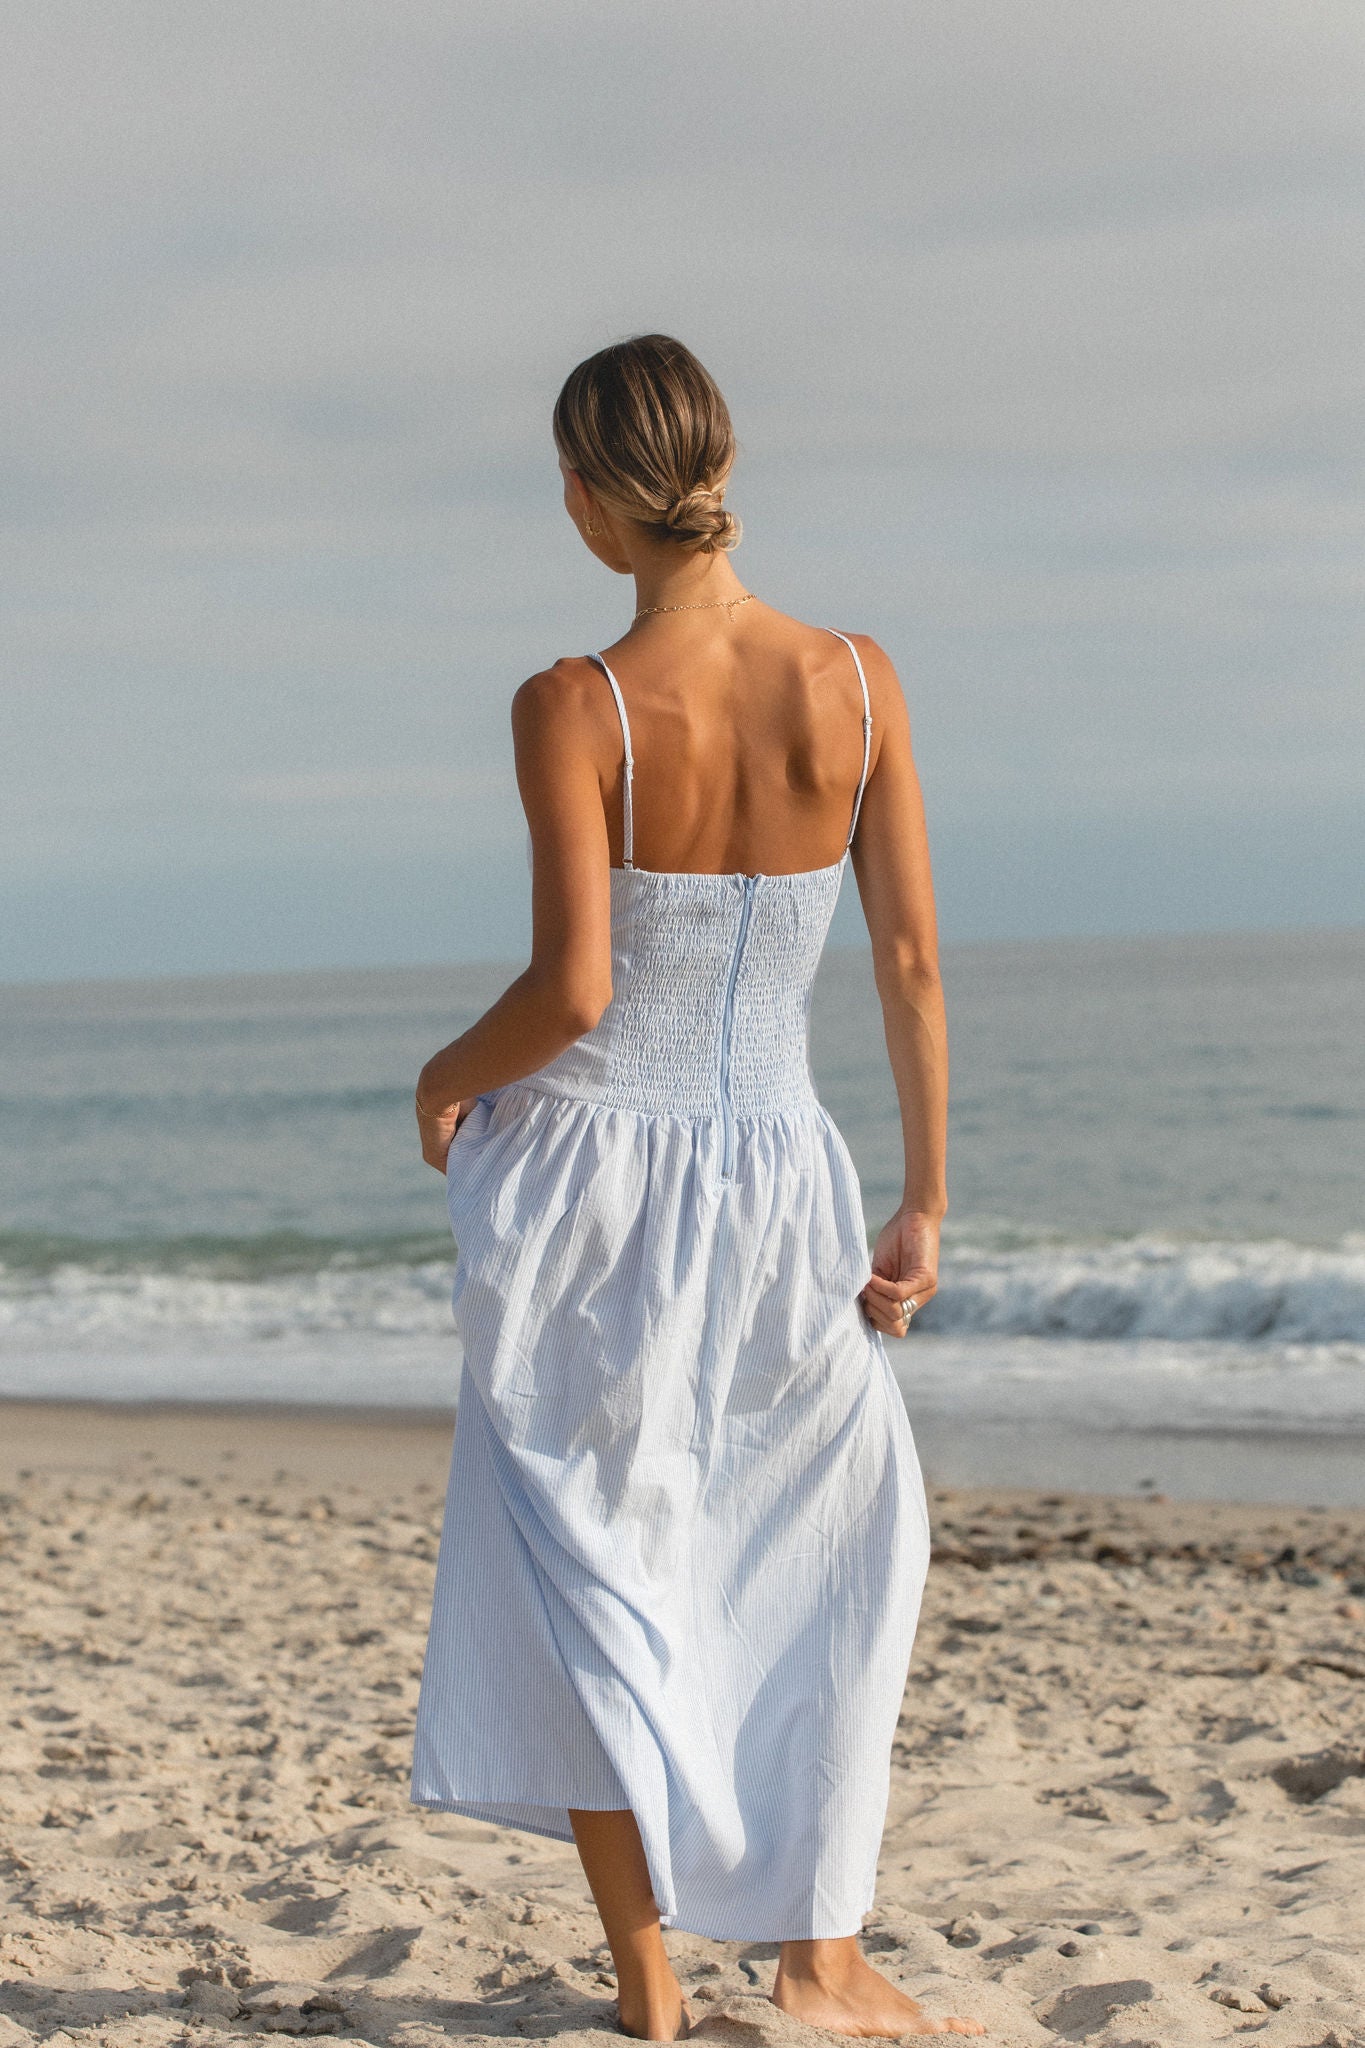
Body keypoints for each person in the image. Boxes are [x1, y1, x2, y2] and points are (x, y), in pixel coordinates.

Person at [409, 336, 978, 2040]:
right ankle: (809, 1951)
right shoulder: (858, 680)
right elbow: (909, 961)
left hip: (583, 1170)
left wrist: (445, 1079)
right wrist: (925, 1200)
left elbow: (572, 993)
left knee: (589, 1556)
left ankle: (656, 1973)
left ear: (591, 501)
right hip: (780, 1169)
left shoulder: (572, 702)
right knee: (834, 1541)